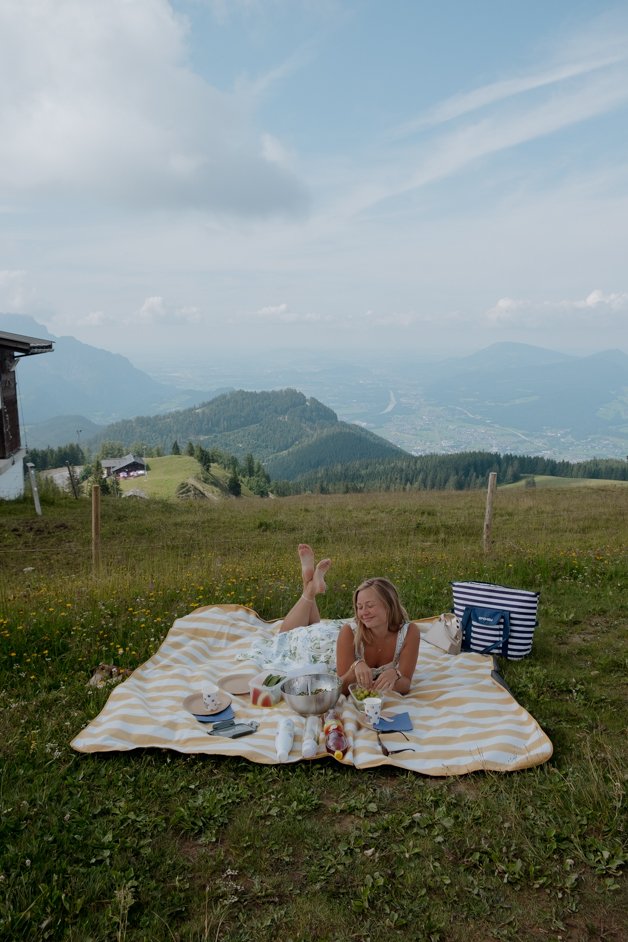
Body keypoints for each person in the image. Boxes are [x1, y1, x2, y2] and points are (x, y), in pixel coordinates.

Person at [280, 544, 420, 695]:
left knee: (313, 625)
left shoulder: (409, 632)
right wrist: (355, 666)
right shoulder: (349, 631)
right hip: (325, 647)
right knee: (285, 637)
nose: (364, 613)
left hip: (337, 635)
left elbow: (406, 683)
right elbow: (342, 687)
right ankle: (308, 589)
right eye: (360, 607)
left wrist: (396, 674)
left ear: (389, 605)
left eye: (370, 606)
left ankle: (311, 584)